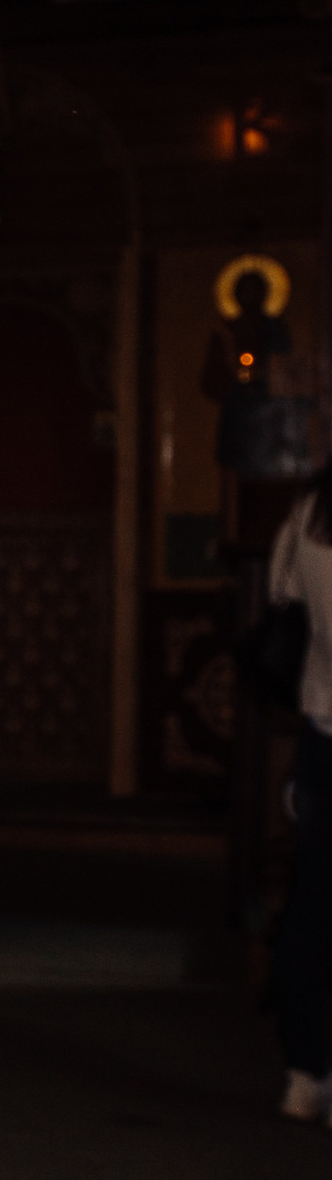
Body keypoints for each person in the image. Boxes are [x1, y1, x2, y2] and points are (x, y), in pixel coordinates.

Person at [266, 475, 332, 1120]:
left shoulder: (311, 512)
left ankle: (304, 1073)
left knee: (311, 910)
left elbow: (280, 593)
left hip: (323, 735)